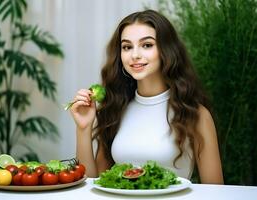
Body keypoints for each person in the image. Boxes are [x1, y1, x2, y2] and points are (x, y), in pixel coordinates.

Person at [70, 9, 224, 184]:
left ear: (166, 50)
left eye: (147, 45)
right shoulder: (116, 109)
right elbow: (94, 183)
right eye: (127, 47)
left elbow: (215, 190)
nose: (135, 55)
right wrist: (83, 129)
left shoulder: (195, 114)